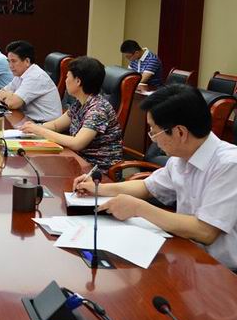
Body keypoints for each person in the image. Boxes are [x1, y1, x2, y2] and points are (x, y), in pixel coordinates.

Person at [73, 84, 237, 270]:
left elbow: (205, 231)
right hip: (187, 254)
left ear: (180, 132)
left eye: (153, 130)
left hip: (221, 271)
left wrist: (138, 208)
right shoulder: (181, 158)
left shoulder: (229, 164)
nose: (153, 138)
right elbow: (147, 186)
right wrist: (98, 188)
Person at [21, 57, 122, 169]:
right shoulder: (80, 103)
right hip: (79, 161)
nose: (65, 80)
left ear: (78, 81)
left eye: (67, 77)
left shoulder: (98, 109)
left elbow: (77, 143)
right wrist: (32, 128)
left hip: (97, 170)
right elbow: (56, 125)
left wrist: (40, 131)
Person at [0, 40, 63, 122]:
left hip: (47, 125)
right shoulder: (20, 74)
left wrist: (9, 96)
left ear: (27, 61)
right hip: (29, 120)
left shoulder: (35, 76)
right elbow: (0, 92)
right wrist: (10, 96)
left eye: (13, 61)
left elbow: (13, 103)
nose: (10, 66)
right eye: (9, 61)